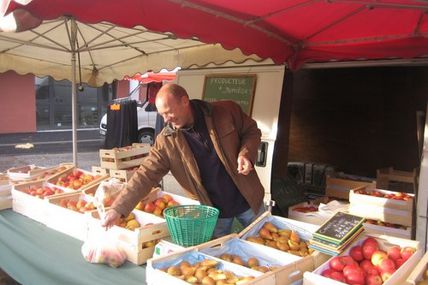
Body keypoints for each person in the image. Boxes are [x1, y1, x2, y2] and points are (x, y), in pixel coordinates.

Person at [102, 83, 265, 237]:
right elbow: (145, 175)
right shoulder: (166, 141)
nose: (166, 120)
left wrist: (246, 153)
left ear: (184, 101)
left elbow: (251, 131)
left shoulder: (225, 111)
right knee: (223, 256)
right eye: (162, 115)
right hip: (214, 211)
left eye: (168, 112)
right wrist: (118, 209)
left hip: (249, 201)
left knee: (268, 248)